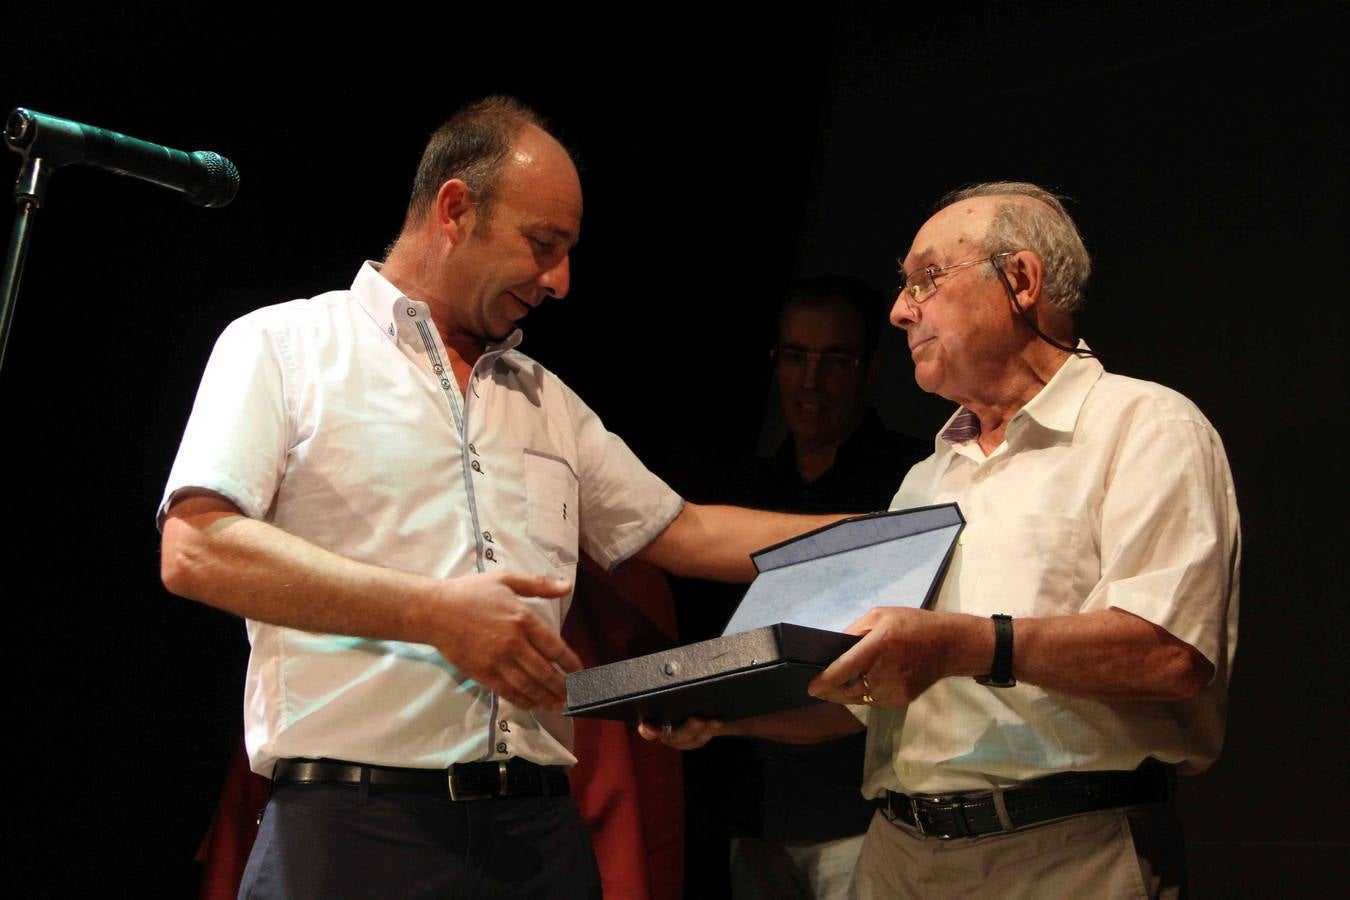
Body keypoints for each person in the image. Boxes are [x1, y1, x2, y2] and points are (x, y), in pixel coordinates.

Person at [158, 96, 837, 900]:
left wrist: (898, 532)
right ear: (454, 209)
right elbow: (195, 547)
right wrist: (433, 613)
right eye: (543, 245)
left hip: (539, 839)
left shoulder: (546, 399)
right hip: (353, 834)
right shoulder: (284, 346)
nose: (561, 280)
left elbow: (685, 531)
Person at [647, 182, 1240, 899]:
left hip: (1061, 855)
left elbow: (1169, 652)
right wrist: (727, 715)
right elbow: (863, 701)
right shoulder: (928, 479)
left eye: (926, 278)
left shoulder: (1145, 427)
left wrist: (961, 644)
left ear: (1020, 281)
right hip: (897, 853)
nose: (900, 310)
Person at [697, 275, 928, 900]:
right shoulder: (743, 488)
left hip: (857, 805)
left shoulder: (912, 483)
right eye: (796, 357)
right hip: (751, 804)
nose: (811, 380)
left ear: (871, 368)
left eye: (835, 360)